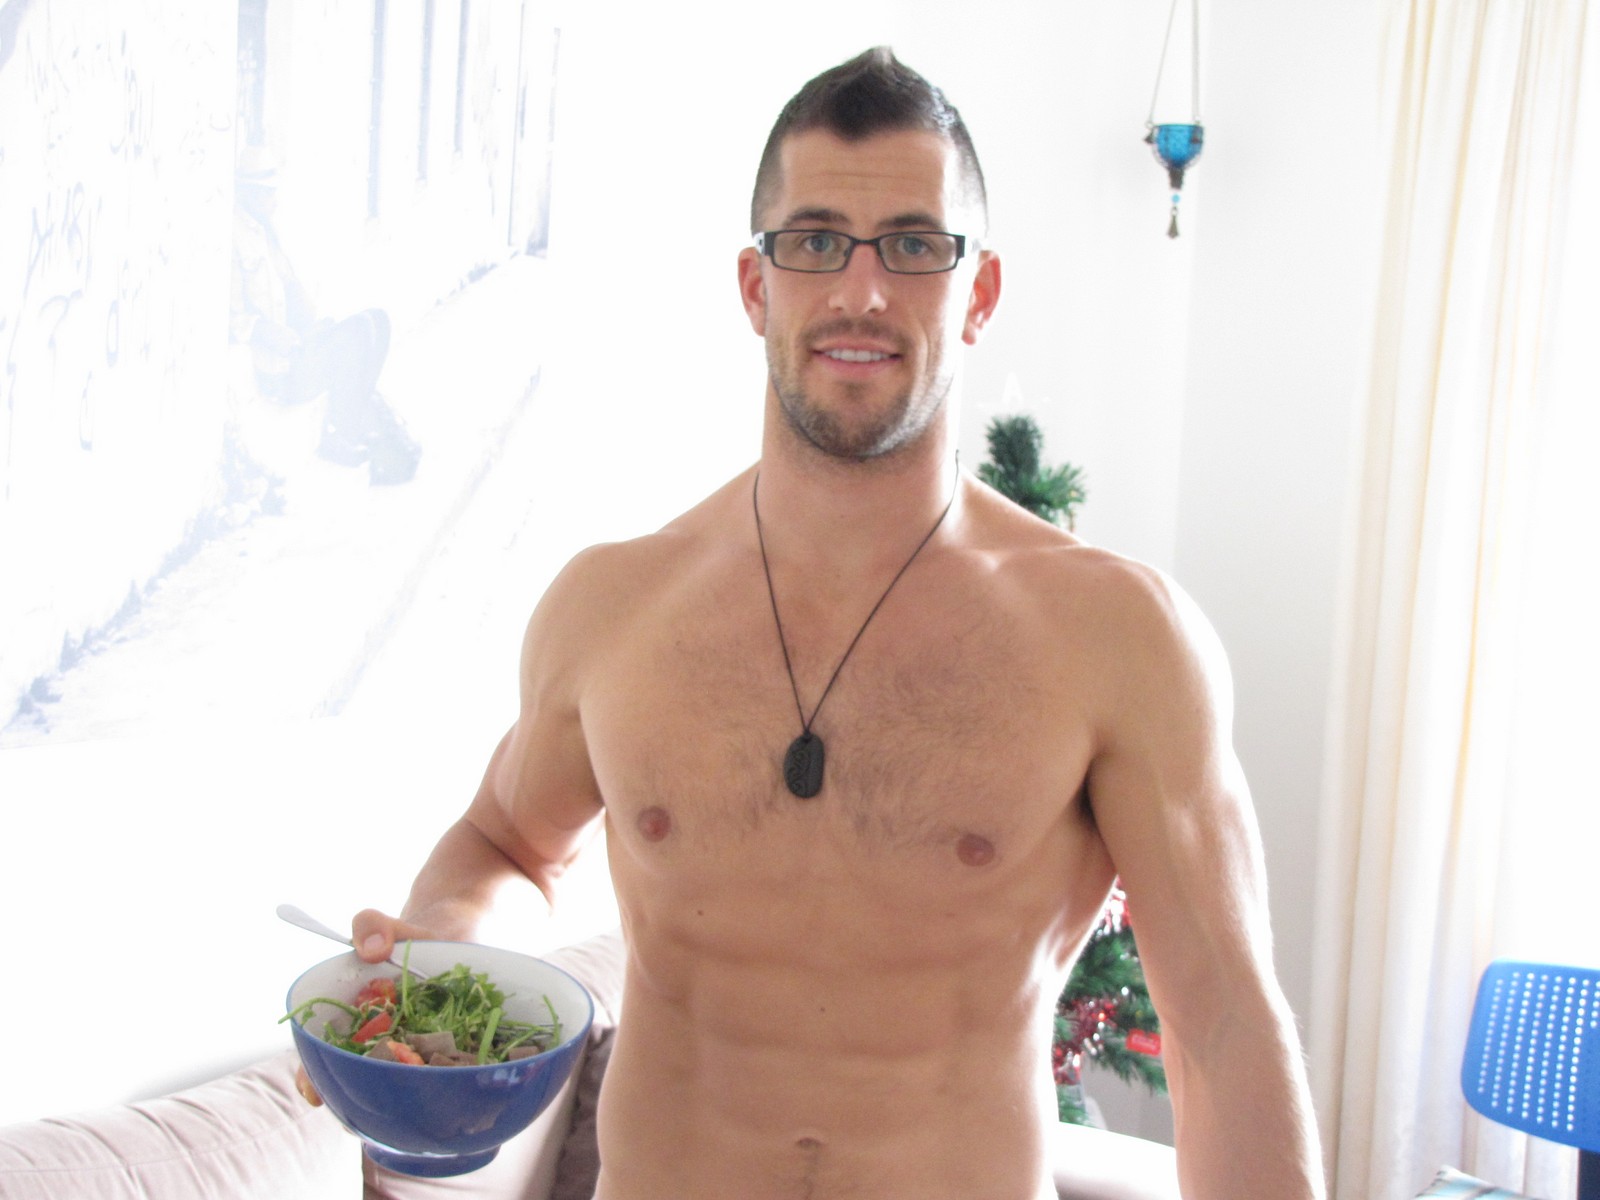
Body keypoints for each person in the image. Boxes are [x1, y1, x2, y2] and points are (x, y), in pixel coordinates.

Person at [301, 48, 1325, 1199]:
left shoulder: (1117, 637)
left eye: (914, 246)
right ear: (756, 287)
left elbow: (1222, 1029)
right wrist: (440, 955)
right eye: (816, 242)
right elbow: (504, 844)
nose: (861, 293)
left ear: (979, 293)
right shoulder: (613, 609)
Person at [230, 146, 421, 486]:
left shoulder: (268, 233)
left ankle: (347, 425)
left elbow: (289, 294)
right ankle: (341, 432)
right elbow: (234, 318)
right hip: (278, 368)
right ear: (250, 193)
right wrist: (273, 335)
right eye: (268, 193)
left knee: (377, 320)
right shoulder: (234, 239)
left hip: (299, 350)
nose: (274, 200)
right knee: (359, 333)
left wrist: (312, 320)